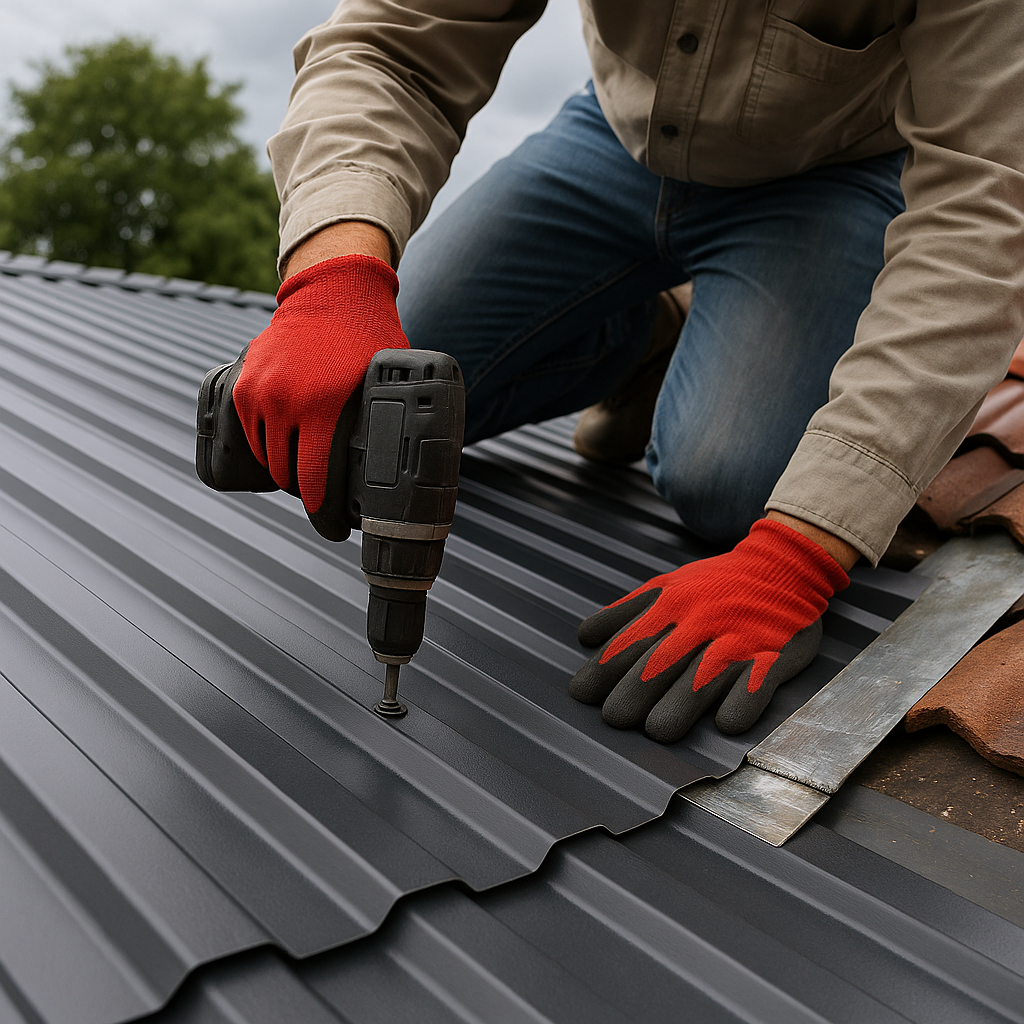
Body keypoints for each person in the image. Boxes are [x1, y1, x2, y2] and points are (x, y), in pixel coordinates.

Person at [222, 2, 1024, 742]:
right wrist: (335, 278)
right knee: (396, 375)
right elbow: (395, 47)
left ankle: (703, 340)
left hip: (833, 174)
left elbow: (985, 206)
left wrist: (801, 554)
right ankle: (643, 337)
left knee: (734, 487)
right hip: (618, 139)